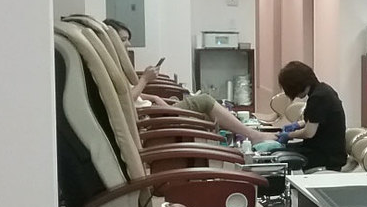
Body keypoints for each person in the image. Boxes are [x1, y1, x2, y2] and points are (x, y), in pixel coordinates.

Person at [102, 17, 278, 143]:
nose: (128, 44)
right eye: (123, 40)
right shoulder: (108, 69)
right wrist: (145, 80)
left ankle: (239, 140)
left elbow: (129, 94)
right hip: (151, 120)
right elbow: (123, 101)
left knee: (207, 113)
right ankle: (252, 136)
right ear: (111, 41)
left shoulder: (113, 64)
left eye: (128, 40)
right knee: (204, 100)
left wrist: (154, 97)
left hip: (152, 111)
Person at [276, 61, 347, 170]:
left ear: (297, 85)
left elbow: (309, 133)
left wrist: (289, 135)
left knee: (275, 156)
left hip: (326, 156)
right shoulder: (323, 90)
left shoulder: (318, 97)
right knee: (278, 151)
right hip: (323, 149)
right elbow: (316, 119)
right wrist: (297, 125)